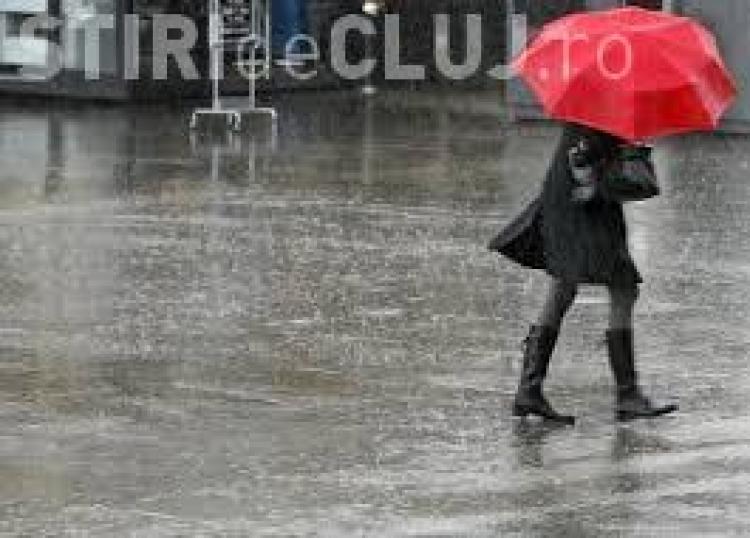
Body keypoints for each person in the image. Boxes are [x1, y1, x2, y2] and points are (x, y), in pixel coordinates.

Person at [489, 122, 678, 424]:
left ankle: (530, 389)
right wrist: (599, 179)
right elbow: (584, 155)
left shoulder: (594, 110)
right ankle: (626, 395)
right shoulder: (603, 113)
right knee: (622, 287)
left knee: (564, 289)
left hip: (569, 199)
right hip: (583, 203)